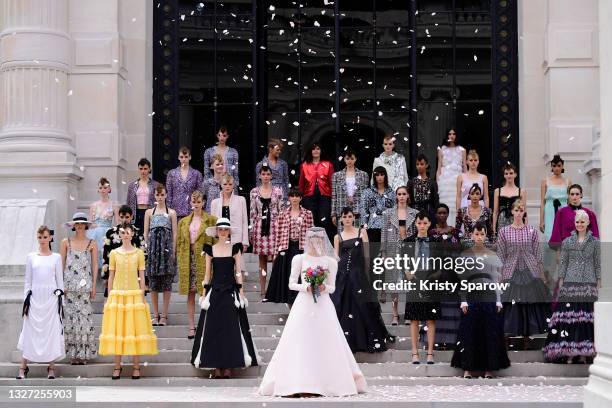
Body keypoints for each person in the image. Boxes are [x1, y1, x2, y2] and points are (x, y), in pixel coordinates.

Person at [258, 227, 367, 397]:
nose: (315, 242)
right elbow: (291, 283)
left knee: (324, 340)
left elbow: (332, 288)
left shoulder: (330, 261)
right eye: (312, 238)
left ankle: (325, 382)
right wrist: (306, 287)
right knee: (301, 340)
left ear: (323, 240)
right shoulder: (299, 258)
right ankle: (297, 382)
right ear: (307, 240)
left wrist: (322, 287)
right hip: (304, 303)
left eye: (318, 238)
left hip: (323, 304)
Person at [191, 218, 258, 379]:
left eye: (225, 229)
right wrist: (203, 292)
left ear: (229, 232)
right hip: (214, 292)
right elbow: (208, 273)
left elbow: (238, 272)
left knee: (230, 328)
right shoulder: (210, 250)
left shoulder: (235, 249)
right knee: (213, 328)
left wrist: (241, 290)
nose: (222, 232)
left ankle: (229, 365)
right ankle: (215, 365)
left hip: (230, 291)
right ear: (216, 232)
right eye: (220, 229)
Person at [99, 224, 158, 379]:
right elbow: (111, 275)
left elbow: (142, 275)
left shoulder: (138, 253)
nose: (125, 235)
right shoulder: (114, 253)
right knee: (118, 330)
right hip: (118, 295)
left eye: (128, 232)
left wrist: (142, 293)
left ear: (132, 234)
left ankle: (136, 366)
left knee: (135, 330)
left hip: (134, 294)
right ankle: (117, 366)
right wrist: (110, 294)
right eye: (123, 233)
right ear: (119, 235)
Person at [451, 222, 509, 379]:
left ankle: (488, 369)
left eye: (482, 234)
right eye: (476, 234)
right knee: (469, 332)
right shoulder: (465, 255)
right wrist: (463, 300)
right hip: (471, 297)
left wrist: (498, 300)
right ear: (471, 235)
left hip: (489, 296)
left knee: (488, 333)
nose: (479, 237)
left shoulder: (492, 255)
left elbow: (496, 279)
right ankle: (467, 369)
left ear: (485, 235)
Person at [332, 207, 395, 353]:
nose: (347, 219)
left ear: (354, 218)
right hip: (343, 274)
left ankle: (364, 339)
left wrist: (367, 273)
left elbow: (367, 255)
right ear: (341, 219)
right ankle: (347, 342)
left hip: (358, 272)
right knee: (344, 306)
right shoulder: (338, 237)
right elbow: (336, 258)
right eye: (344, 217)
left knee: (363, 305)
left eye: (350, 216)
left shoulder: (362, 232)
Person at [543, 210, 600, 363]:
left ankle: (583, 352)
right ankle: (568, 351)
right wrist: (561, 279)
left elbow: (597, 262)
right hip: (570, 281)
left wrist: (599, 279)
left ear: (588, 223)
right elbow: (564, 262)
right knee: (570, 316)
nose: (579, 224)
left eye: (582, 222)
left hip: (588, 282)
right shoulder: (567, 241)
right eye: (577, 222)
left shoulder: (595, 242)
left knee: (584, 317)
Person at [497, 200, 550, 349]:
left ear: (524, 212)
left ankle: (527, 336)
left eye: (521, 210)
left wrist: (540, 273)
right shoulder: (504, 231)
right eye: (516, 210)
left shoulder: (531, 230)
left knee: (528, 303)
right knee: (509, 304)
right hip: (510, 270)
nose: (519, 213)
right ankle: (507, 335)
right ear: (512, 212)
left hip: (529, 270)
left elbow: (537, 253)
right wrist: (500, 275)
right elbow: (501, 254)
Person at [16, 226, 65, 380]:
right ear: (37, 238)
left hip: (50, 299)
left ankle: (51, 368)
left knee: (50, 331)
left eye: (45, 237)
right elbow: (27, 281)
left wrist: (60, 301)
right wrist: (26, 302)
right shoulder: (31, 257)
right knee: (29, 330)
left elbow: (59, 282)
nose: (42, 240)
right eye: (39, 237)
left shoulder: (56, 257)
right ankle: (23, 367)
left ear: (50, 238)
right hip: (35, 299)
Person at [177, 191, 217, 339]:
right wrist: (180, 260)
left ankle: (206, 324)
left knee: (205, 293)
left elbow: (216, 242)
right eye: (194, 202)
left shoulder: (211, 220)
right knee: (190, 293)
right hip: (188, 258)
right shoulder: (184, 221)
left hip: (205, 259)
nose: (196, 204)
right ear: (190, 203)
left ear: (203, 202)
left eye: (199, 202)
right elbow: (180, 243)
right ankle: (191, 326)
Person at [60, 213, 98, 365]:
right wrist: (60, 284)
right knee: (70, 319)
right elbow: (61, 264)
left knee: (84, 318)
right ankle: (73, 354)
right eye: (77, 224)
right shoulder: (66, 242)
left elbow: (95, 265)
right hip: (69, 286)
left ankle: (83, 355)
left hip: (85, 286)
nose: (80, 226)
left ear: (86, 225)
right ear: (73, 226)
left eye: (83, 223)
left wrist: (94, 285)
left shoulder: (92, 243)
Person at [265, 188, 314, 304]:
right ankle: (289, 302)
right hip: (286, 248)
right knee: (287, 275)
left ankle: (301, 301)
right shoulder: (283, 213)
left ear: (301, 198)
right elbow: (278, 233)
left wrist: (312, 250)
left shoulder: (308, 213)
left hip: (302, 247)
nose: (295, 198)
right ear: (289, 198)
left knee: (301, 276)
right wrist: (276, 251)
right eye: (292, 196)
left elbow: (312, 232)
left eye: (297, 196)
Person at [404, 212, 439, 365]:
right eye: (419, 223)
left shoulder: (436, 242)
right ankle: (414, 352)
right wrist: (407, 273)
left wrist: (436, 274)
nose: (422, 226)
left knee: (431, 318)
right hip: (415, 280)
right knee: (414, 318)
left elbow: (442, 262)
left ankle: (430, 352)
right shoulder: (408, 241)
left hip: (430, 281)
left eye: (425, 223)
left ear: (429, 224)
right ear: (416, 224)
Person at [381, 186, 418, 325]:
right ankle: (395, 314)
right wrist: (383, 253)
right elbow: (383, 234)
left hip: (409, 251)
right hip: (392, 251)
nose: (401, 196)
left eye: (404, 194)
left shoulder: (415, 213)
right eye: (399, 194)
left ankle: (408, 313)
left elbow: (417, 233)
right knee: (393, 284)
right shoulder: (388, 213)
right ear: (396, 196)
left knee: (409, 282)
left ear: (408, 196)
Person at [428, 203, 461, 349]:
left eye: (444, 213)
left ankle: (451, 339)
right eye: (439, 213)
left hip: (452, 274)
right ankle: (437, 340)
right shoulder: (431, 233)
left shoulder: (455, 232)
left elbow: (460, 253)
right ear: (435, 215)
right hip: (435, 274)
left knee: (451, 307)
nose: (442, 215)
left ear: (448, 214)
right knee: (437, 307)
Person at [144, 184, 178, 327]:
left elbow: (175, 233)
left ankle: (164, 315)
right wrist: (148, 248)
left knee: (166, 283)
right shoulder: (149, 213)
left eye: (162, 195)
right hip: (153, 251)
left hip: (166, 250)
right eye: (157, 195)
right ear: (154, 196)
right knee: (153, 284)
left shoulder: (171, 212)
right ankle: (155, 314)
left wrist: (173, 250)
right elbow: (145, 232)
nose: (160, 197)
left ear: (166, 195)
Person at [250, 165, 284, 298]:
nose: (265, 176)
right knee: (262, 260)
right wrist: (251, 231)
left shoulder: (278, 191)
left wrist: (282, 229)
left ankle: (274, 289)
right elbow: (253, 212)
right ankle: (263, 290)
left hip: (275, 225)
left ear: (271, 176)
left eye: (267, 174)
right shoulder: (254, 192)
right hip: (260, 226)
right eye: (263, 174)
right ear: (259, 176)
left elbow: (281, 211)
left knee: (276, 259)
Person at [102, 205, 144, 297]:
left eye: (127, 217)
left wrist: (144, 278)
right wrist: (106, 275)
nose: (124, 219)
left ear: (132, 217)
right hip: (115, 271)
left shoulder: (137, 232)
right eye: (122, 217)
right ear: (118, 217)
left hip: (133, 273)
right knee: (111, 299)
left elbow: (143, 254)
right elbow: (106, 254)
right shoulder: (110, 232)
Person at [298, 142, 335, 242]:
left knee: (324, 221)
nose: (315, 151)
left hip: (325, 196)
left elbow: (332, 183)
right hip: (308, 197)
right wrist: (299, 199)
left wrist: (334, 198)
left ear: (321, 151)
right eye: (313, 149)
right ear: (310, 151)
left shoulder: (328, 164)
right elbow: (301, 183)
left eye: (318, 149)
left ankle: (325, 246)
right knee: (311, 221)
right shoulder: (304, 165)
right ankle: (311, 247)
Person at [210, 173, 249, 255]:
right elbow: (213, 224)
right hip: (220, 240)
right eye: (225, 184)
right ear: (221, 185)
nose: (227, 186)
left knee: (237, 266)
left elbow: (244, 222)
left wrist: (245, 242)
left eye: (230, 184)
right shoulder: (214, 203)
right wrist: (213, 241)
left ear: (233, 185)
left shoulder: (241, 200)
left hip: (236, 239)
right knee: (223, 265)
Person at [331, 148, 369, 229]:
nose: (349, 161)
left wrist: (365, 214)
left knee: (357, 236)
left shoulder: (363, 175)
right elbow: (334, 196)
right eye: (347, 158)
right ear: (344, 159)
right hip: (342, 210)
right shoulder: (336, 175)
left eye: (352, 158)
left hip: (358, 210)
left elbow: (365, 196)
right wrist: (333, 214)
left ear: (355, 159)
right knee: (343, 237)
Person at [88, 177, 119, 272]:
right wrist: (94, 227)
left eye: (105, 187)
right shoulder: (93, 205)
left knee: (107, 257)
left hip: (107, 233)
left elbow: (117, 222)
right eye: (100, 188)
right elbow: (90, 222)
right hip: (94, 234)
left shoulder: (114, 205)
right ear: (98, 189)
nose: (103, 190)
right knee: (95, 256)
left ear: (109, 189)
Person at [436, 128, 466, 226]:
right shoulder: (442, 149)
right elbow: (439, 167)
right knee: (445, 206)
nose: (451, 136)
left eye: (454, 134)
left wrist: (466, 181)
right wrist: (438, 182)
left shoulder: (462, 150)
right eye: (449, 134)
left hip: (457, 182)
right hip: (444, 183)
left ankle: (455, 229)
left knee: (456, 206)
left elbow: (464, 166)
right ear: (447, 135)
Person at [166, 146, 204, 220]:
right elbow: (169, 195)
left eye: (186, 157)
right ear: (178, 157)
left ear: (190, 157)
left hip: (191, 211)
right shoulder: (172, 173)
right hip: (175, 211)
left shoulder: (196, 174)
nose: (184, 159)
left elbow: (200, 194)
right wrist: (168, 211)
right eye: (182, 157)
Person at [360, 166, 395, 244]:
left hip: (388, 227)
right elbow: (363, 210)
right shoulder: (367, 192)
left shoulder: (391, 193)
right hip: (372, 226)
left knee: (387, 254)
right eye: (377, 175)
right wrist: (364, 225)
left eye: (382, 174)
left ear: (385, 176)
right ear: (374, 176)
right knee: (374, 253)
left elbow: (395, 210)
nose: (379, 177)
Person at [539, 154, 570, 239]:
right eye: (554, 166)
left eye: (559, 165)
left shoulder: (568, 182)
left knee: (564, 236)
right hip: (549, 210)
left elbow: (570, 202)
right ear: (551, 167)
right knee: (550, 235)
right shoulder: (545, 181)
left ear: (562, 166)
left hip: (564, 209)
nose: (556, 168)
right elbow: (542, 202)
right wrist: (541, 220)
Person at [126, 158, 159, 232]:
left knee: (148, 233)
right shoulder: (132, 185)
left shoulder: (155, 185)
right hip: (136, 212)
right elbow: (128, 202)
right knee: (136, 234)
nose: (143, 171)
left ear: (149, 169)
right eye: (141, 169)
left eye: (145, 169)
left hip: (150, 211)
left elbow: (159, 200)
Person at [492, 163, 525, 234]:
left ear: (515, 174)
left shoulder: (521, 191)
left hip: (516, 219)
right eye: (506, 173)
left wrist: (525, 227)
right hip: (501, 220)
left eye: (511, 173)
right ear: (504, 175)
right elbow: (495, 212)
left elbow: (524, 212)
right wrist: (494, 227)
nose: (508, 175)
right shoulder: (497, 191)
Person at [408, 154, 439, 220]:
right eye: (417, 164)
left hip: (429, 211)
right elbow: (409, 200)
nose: (419, 166)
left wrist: (435, 214)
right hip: (415, 212)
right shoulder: (411, 182)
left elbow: (435, 201)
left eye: (422, 164)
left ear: (426, 165)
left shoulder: (432, 183)